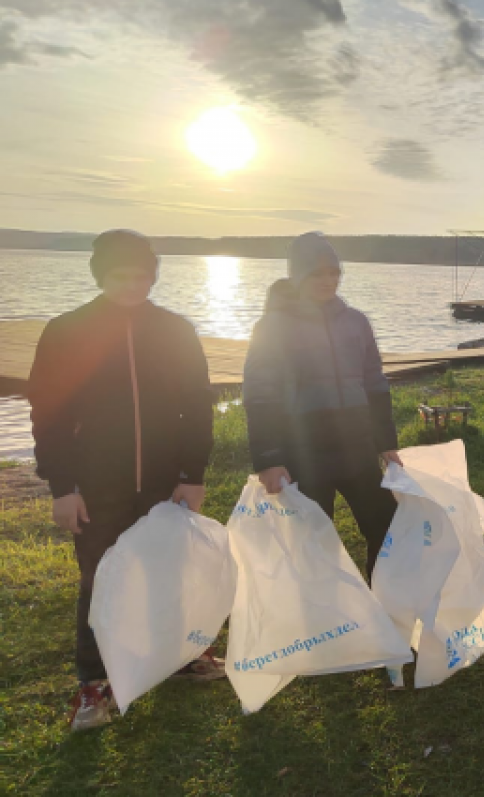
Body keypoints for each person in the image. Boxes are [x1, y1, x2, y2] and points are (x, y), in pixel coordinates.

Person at [28, 230, 217, 732]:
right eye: (120, 274)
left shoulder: (176, 330)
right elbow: (47, 415)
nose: (132, 283)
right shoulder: (67, 331)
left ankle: (179, 657)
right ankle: (94, 685)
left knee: (168, 573)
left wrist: (191, 475)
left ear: (153, 275)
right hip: (94, 485)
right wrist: (62, 486)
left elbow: (197, 406)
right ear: (100, 275)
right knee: (100, 581)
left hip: (163, 482)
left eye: (142, 274)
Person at [243, 232, 401, 582]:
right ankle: (323, 622)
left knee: (388, 529)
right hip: (303, 452)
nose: (328, 281)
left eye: (334, 273)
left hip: (356, 447)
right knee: (312, 542)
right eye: (317, 274)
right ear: (298, 277)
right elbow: (259, 395)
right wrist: (268, 458)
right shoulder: (272, 326)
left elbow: (375, 382)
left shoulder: (356, 322)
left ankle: (383, 610)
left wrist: (386, 441)